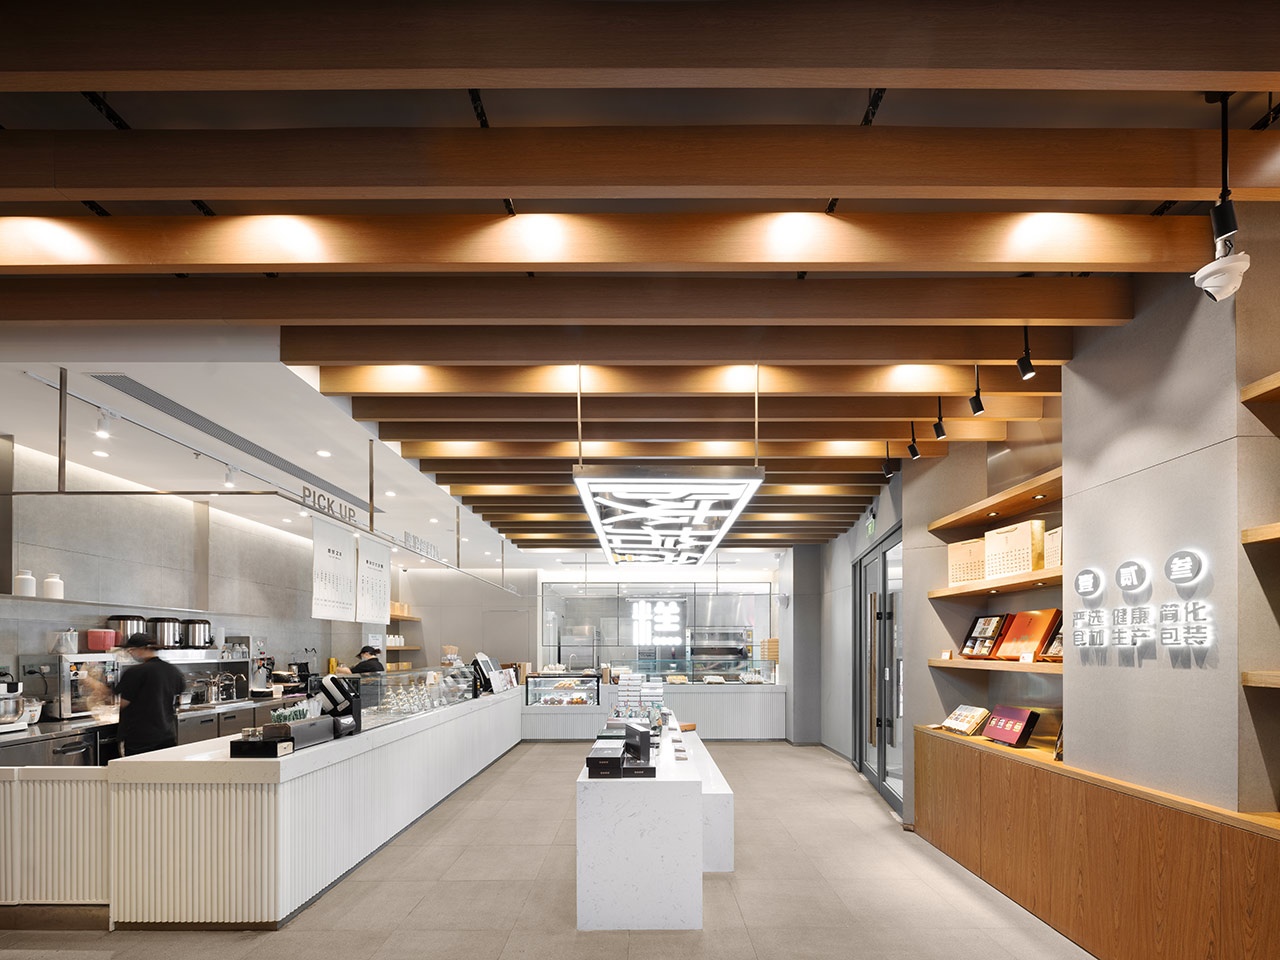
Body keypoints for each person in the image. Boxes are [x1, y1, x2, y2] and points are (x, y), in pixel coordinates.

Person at [110, 633, 186, 756]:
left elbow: (123, 703)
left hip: (139, 739)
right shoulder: (172, 670)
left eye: (131, 650)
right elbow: (178, 699)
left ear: (142, 649)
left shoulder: (135, 672)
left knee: (137, 769)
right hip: (166, 736)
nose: (131, 654)